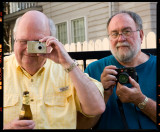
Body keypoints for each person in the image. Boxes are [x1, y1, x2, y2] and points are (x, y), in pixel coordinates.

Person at [3, 10, 105, 129]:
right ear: (14, 41)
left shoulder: (67, 70)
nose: (28, 49)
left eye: (37, 42)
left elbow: (96, 108)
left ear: (50, 41)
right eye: (23, 41)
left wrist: (68, 62)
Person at [82, 10, 157, 129]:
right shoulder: (94, 70)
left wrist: (141, 100)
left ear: (141, 35)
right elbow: (83, 124)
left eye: (126, 31)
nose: (120, 38)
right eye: (114, 33)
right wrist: (104, 93)